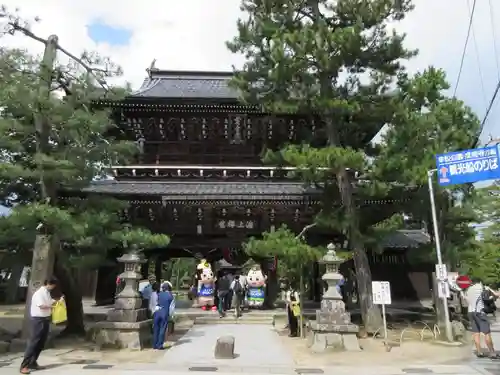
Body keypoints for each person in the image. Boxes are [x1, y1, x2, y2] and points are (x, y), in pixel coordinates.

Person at [20, 278, 61, 374]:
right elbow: (41, 305)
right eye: (53, 285)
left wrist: (58, 301)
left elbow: (50, 301)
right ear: (48, 284)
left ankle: (33, 362)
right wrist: (53, 306)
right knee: (34, 342)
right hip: (38, 320)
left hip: (45, 319)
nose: (53, 287)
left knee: (41, 342)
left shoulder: (46, 292)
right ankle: (24, 365)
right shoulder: (39, 293)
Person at [465, 277, 500, 359]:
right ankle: (492, 353)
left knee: (476, 332)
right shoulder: (483, 287)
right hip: (480, 312)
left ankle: (479, 352)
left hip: (470, 312)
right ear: (480, 282)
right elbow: (496, 295)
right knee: (486, 332)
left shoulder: (469, 289)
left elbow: (466, 300)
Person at [152, 283, 174, 350]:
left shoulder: (159, 294)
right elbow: (171, 308)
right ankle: (159, 345)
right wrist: (171, 316)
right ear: (168, 288)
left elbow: (155, 303)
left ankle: (154, 345)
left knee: (156, 329)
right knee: (162, 329)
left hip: (157, 312)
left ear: (163, 288)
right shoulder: (171, 296)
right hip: (164, 313)